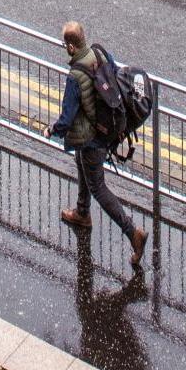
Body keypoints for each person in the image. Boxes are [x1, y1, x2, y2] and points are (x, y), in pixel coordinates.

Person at [47, 21, 148, 264]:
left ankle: (132, 233)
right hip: (104, 132)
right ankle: (82, 212)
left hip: (92, 139)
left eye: (65, 44)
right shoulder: (99, 52)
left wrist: (52, 130)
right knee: (82, 163)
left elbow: (67, 117)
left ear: (71, 47)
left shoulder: (75, 76)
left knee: (98, 187)